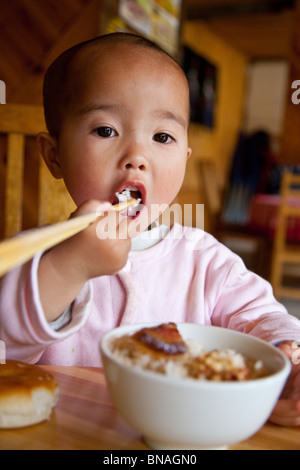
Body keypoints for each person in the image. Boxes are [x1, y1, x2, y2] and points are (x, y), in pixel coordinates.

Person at [0, 33, 300, 426]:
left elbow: (261, 315)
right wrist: (68, 267)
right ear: (54, 155)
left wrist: (286, 352)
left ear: (184, 158)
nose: (136, 157)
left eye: (162, 137)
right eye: (106, 130)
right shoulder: (36, 256)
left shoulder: (204, 260)